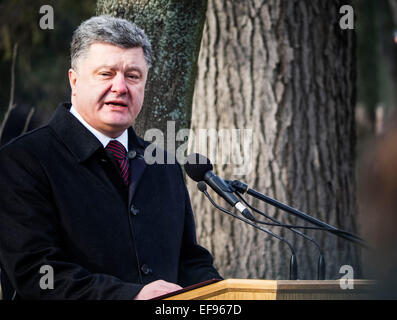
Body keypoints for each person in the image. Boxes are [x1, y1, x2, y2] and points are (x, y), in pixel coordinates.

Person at [0, 15, 221, 300]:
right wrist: (131, 296)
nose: (120, 87)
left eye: (133, 76)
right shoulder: (21, 162)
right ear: (74, 80)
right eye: (106, 74)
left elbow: (190, 261)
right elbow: (36, 274)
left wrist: (220, 293)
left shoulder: (163, 164)